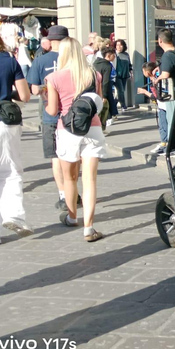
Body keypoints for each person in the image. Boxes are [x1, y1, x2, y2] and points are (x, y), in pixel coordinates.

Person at [45, 38, 106, 242]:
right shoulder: (94, 74)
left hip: (68, 130)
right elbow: (99, 102)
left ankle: (72, 218)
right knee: (90, 180)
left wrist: (46, 105)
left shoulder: (53, 78)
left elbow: (53, 111)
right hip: (93, 127)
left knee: (70, 178)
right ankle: (89, 228)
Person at [0, 16, 33, 245]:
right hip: (4, 123)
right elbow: (24, 96)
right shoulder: (7, 60)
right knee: (10, 170)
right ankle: (14, 215)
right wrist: (4, 97)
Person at [27, 25, 82, 213]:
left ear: (50, 41)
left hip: (51, 115)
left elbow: (34, 89)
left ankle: (63, 194)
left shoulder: (41, 60)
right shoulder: (76, 60)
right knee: (75, 154)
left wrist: (46, 90)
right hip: (75, 115)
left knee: (56, 156)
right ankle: (74, 187)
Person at [152, 28, 175, 141]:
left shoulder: (167, 55)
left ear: (160, 41)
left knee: (172, 119)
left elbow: (165, 74)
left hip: (173, 93)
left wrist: (156, 79)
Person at [138, 62, 168, 155]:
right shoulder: (155, 79)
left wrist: (144, 92)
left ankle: (166, 144)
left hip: (164, 105)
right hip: (161, 105)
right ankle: (163, 143)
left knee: (164, 125)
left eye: (143, 71)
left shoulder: (157, 80)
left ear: (147, 72)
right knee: (162, 125)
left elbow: (156, 95)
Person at [92, 47, 115, 130]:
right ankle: (101, 127)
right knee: (104, 110)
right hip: (103, 90)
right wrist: (104, 96)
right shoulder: (107, 66)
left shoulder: (96, 62)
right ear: (108, 55)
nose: (115, 57)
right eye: (114, 55)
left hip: (93, 88)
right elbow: (105, 81)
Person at [114, 39, 132, 111]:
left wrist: (131, 72)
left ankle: (113, 104)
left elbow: (129, 65)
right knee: (120, 90)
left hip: (125, 75)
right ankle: (123, 105)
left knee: (121, 91)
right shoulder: (115, 54)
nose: (119, 47)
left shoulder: (126, 54)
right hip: (117, 75)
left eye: (120, 45)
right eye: (117, 45)